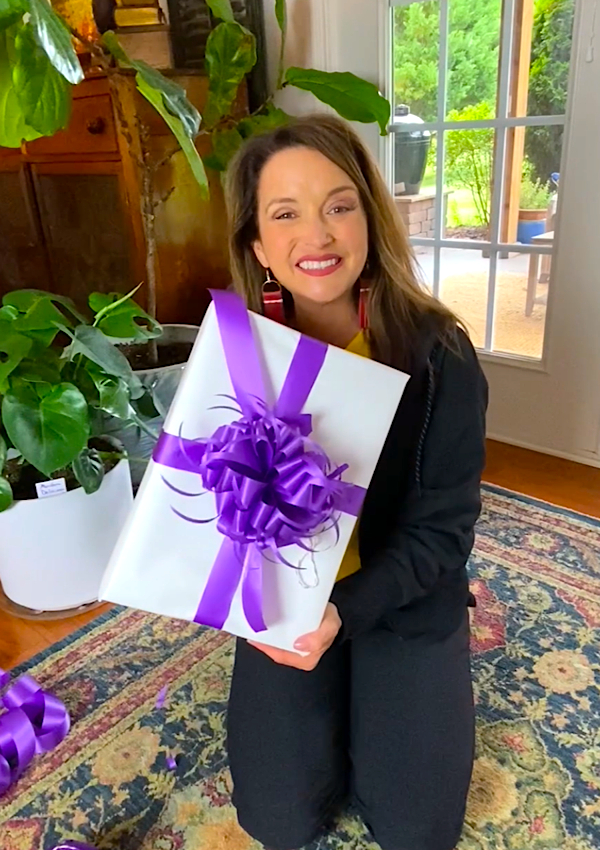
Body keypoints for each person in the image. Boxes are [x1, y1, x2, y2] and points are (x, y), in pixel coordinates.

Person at [224, 114, 488, 850]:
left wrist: (346, 611)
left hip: (402, 595)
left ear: (370, 219)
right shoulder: (242, 361)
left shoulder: (441, 356)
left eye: (339, 205)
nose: (319, 234)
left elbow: (442, 531)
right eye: (286, 214)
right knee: (276, 817)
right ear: (260, 247)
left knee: (417, 831)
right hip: (290, 597)